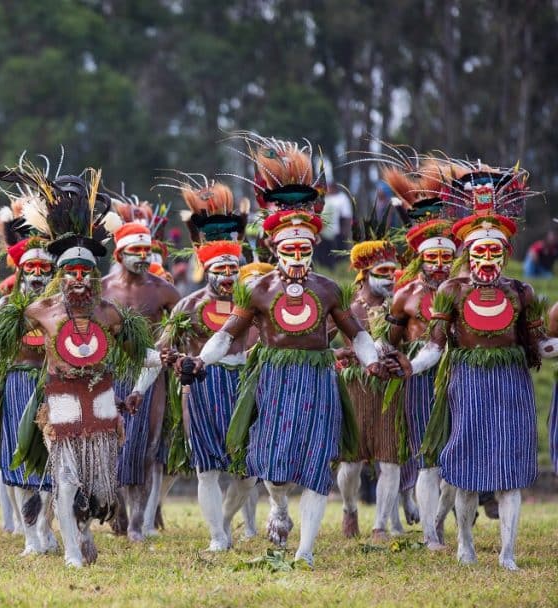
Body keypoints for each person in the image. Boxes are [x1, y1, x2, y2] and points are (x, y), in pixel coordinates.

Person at [171, 134, 388, 567]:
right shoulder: (257, 290)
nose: (296, 257)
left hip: (318, 379)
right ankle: (279, 507)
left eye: (304, 249)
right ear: (273, 248)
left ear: (313, 248)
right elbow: (228, 334)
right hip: (272, 378)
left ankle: (305, 550)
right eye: (288, 250)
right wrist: (200, 360)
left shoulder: (328, 290)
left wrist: (375, 361)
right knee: (269, 463)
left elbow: (355, 335)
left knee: (314, 467)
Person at [0, 164, 154, 567]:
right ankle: (70, 552)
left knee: (98, 487)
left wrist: (139, 388)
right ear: (59, 277)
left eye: (85, 273)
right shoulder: (41, 310)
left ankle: (81, 530)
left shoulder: (111, 314)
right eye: (71, 274)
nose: (78, 280)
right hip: (61, 401)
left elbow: (147, 357)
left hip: (100, 403)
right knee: (64, 479)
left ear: (95, 277)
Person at [397, 162, 555, 570]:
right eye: (480, 251)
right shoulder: (452, 290)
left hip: (512, 384)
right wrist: (410, 368)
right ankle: (464, 542)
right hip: (467, 381)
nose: (488, 259)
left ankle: (508, 553)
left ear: (506, 253)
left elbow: (542, 344)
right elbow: (434, 346)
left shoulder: (521, 292)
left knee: (510, 470)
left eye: (495, 251)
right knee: (466, 468)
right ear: (467, 253)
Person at [152, 178, 251, 551]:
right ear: (206, 268)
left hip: (243, 384)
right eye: (220, 269)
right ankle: (216, 536)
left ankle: (223, 521)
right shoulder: (188, 306)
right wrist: (175, 361)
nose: (227, 276)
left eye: (232, 269)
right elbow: (164, 348)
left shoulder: (252, 305)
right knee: (206, 469)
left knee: (248, 473)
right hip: (203, 387)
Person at [0, 190, 58, 555]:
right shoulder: (6, 305)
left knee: (53, 463)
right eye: (30, 269)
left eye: (43, 269)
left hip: (53, 387)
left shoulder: (60, 306)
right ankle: (31, 537)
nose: (36, 275)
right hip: (18, 383)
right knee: (19, 464)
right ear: (20, 271)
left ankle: (48, 529)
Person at [382, 155, 455, 549]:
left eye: (447, 257)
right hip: (420, 379)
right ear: (421, 257)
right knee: (428, 458)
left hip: (463, 375)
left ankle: (442, 520)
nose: (440, 265)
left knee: (457, 458)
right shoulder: (405, 294)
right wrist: (376, 361)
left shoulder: (463, 290)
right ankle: (430, 535)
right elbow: (389, 342)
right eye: (433, 258)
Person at [101, 208, 181, 542]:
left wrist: (164, 346)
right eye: (135, 251)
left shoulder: (162, 289)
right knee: (112, 446)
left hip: (151, 374)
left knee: (145, 448)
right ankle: (117, 508)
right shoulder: (102, 288)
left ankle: (137, 521)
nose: (143, 257)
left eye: (147, 251)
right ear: (119, 254)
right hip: (110, 371)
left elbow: (179, 323)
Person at [335, 219, 405, 542]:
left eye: (393, 272)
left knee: (390, 460)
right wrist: (342, 354)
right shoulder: (349, 308)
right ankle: (349, 507)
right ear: (363, 275)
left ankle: (380, 525)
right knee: (350, 464)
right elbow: (326, 342)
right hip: (356, 389)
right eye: (383, 273)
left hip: (391, 389)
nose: (391, 279)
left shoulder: (401, 306)